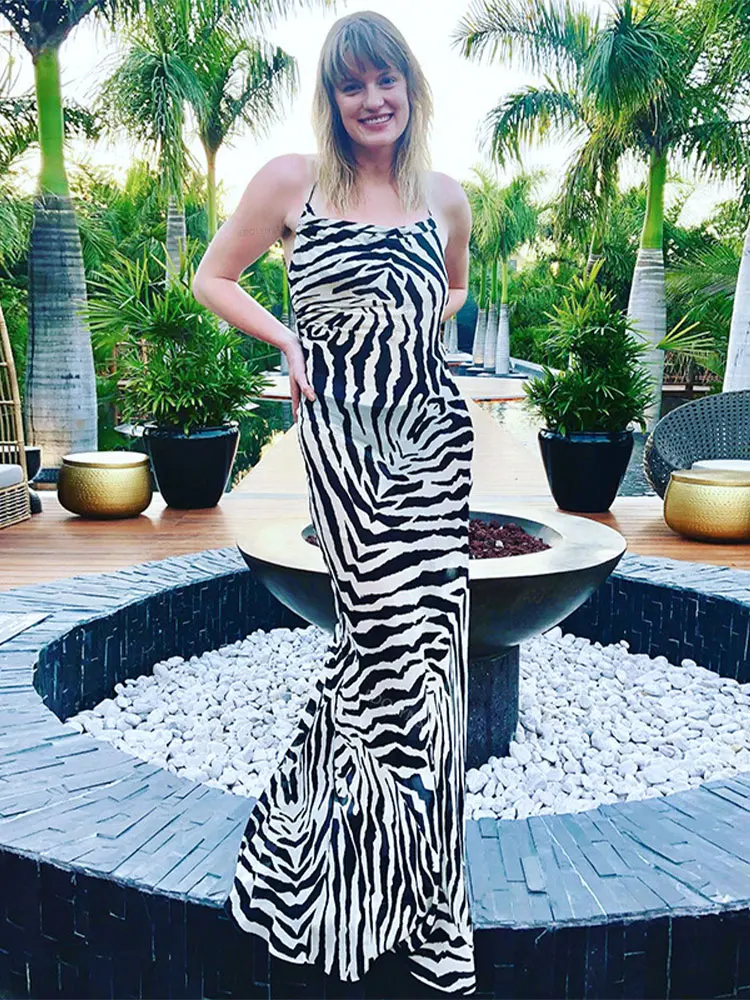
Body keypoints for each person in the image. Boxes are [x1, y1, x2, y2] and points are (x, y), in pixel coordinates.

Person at [192, 10, 475, 996]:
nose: (371, 100)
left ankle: (415, 889)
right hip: (344, 447)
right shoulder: (293, 182)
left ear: (410, 87)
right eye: (351, 85)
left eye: (385, 80)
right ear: (332, 97)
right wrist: (293, 339)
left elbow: (452, 292)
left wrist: (403, 343)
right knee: (379, 647)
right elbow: (212, 276)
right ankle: (334, 860)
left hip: (431, 438)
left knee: (430, 658)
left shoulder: (446, 196)